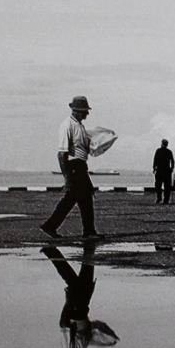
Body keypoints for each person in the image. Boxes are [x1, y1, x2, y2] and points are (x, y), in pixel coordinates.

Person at [41, 244, 119, 348]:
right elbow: (67, 327)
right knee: (81, 278)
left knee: (78, 279)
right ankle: (85, 249)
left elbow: (65, 325)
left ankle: (53, 252)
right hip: (79, 309)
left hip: (78, 309)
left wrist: (69, 303)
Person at [40, 96, 103, 240]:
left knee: (82, 198)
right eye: (85, 111)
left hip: (81, 166)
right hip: (74, 166)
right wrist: (67, 178)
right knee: (75, 199)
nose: (87, 114)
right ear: (77, 111)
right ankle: (53, 227)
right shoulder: (67, 125)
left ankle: (88, 231)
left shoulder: (80, 125)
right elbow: (61, 154)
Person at [152, 138, 175, 204]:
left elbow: (155, 160)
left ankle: (159, 198)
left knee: (158, 185)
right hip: (167, 170)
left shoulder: (158, 151)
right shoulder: (169, 151)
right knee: (167, 186)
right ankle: (166, 199)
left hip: (160, 170)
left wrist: (154, 168)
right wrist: (172, 168)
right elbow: (172, 161)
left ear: (162, 144)